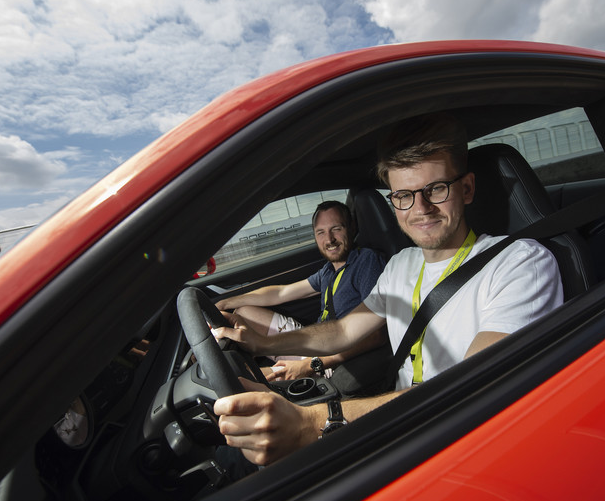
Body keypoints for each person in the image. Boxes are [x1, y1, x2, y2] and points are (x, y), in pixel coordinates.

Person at [212, 112, 563, 466]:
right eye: (404, 196)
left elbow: (473, 390)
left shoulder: (521, 263)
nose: (421, 209)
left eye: (435, 189)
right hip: (403, 424)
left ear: (467, 188)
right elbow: (345, 329)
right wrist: (265, 344)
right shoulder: (401, 264)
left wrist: (311, 422)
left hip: (462, 441)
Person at [216, 200, 387, 381]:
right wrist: (225, 302)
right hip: (317, 338)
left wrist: (309, 364)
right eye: (321, 232)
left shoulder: (367, 262)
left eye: (336, 228)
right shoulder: (328, 270)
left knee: (238, 378)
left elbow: (376, 335)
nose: (329, 239)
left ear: (351, 227)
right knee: (244, 312)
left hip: (334, 358)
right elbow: (281, 293)